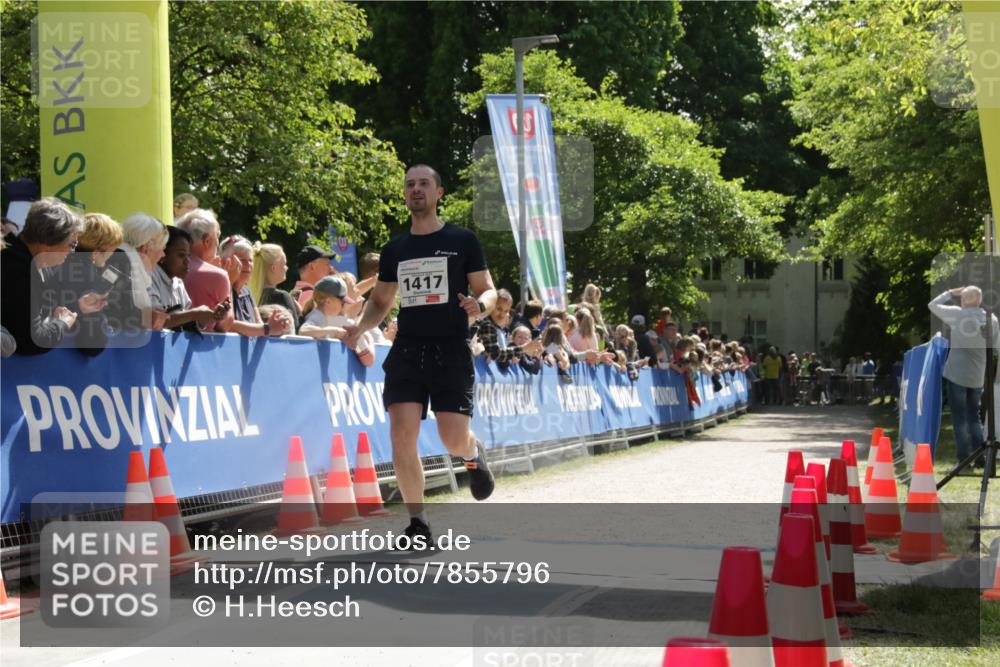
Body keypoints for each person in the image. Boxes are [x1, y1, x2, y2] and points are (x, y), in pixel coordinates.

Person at [342, 164, 498, 545]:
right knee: (401, 433)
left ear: (438, 192)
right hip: (408, 350)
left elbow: (489, 289)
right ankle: (419, 524)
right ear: (404, 193)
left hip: (450, 349)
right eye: (410, 184)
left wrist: (479, 305)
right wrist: (360, 327)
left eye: (424, 183)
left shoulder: (462, 240)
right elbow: (381, 300)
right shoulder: (396, 249)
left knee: (452, 438)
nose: (416, 189)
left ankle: (472, 451)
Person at [1, 198, 105, 355]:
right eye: (72, 245)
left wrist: (78, 308)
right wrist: (62, 324)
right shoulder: (14, 269)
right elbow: (33, 341)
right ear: (48, 242)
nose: (72, 252)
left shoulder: (38, 265)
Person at [929, 286, 1000, 465]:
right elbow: (996, 347)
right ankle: (979, 457)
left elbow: (932, 305)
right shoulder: (991, 319)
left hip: (956, 374)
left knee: (959, 417)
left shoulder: (957, 314)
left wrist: (949, 292)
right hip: (977, 375)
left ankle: (963, 457)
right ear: (980, 300)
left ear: (962, 300)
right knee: (974, 416)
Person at [153, 226, 227, 332]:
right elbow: (153, 321)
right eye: (181, 255)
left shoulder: (178, 282)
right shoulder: (150, 277)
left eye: (188, 255)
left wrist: (209, 317)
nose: (187, 261)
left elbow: (185, 323)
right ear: (162, 254)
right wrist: (194, 314)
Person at [219, 235, 291, 337]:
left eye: (250, 260)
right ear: (226, 261)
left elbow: (259, 324)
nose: (248, 265)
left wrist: (278, 325)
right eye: (242, 260)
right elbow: (227, 325)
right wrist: (267, 329)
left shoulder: (246, 291)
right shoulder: (219, 287)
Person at [176, 208, 233, 331]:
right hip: (203, 342)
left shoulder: (168, 268)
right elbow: (224, 325)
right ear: (207, 241)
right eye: (217, 236)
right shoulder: (218, 276)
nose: (218, 243)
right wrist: (230, 280)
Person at [299, 275, 375, 366]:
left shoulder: (321, 315)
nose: (343, 306)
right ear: (328, 302)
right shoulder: (317, 316)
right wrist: (334, 330)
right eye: (342, 302)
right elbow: (303, 330)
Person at [471, 288, 542, 368]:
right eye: (499, 309)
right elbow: (496, 354)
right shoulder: (486, 322)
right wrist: (524, 348)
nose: (502, 315)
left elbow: (495, 354)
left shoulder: (490, 324)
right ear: (491, 305)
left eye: (505, 311)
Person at [249, 242, 300, 332]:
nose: (287, 268)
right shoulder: (281, 296)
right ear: (273, 268)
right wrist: (301, 314)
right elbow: (296, 330)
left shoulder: (247, 295)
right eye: (284, 264)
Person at [293, 244, 336, 309]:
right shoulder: (312, 297)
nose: (331, 268)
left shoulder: (296, 292)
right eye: (327, 264)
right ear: (312, 267)